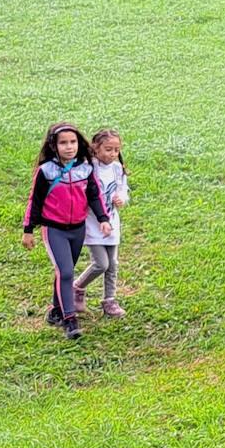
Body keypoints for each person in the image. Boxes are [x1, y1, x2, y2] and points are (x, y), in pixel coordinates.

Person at [22, 124, 112, 340]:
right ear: (54, 146)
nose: (69, 147)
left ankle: (55, 309)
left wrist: (103, 219)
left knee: (65, 270)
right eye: (63, 143)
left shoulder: (85, 167)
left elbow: (94, 195)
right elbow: (35, 201)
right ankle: (70, 319)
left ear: (79, 143)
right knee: (66, 272)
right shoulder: (46, 171)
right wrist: (28, 230)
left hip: (77, 229)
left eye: (72, 142)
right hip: (55, 230)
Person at [73, 130, 130, 318]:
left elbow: (123, 189)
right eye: (108, 149)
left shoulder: (117, 168)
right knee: (101, 263)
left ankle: (109, 300)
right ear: (96, 148)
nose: (113, 154)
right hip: (93, 223)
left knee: (112, 264)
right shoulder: (89, 168)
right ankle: (77, 287)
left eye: (116, 150)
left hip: (112, 222)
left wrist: (121, 198)